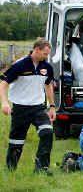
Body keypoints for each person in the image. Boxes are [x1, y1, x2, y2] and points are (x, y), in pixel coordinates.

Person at [0, 39, 56, 175]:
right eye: (44, 53)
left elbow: (48, 85)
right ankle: (11, 170)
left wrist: (52, 106)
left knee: (47, 132)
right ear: (36, 49)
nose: (46, 57)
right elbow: (3, 83)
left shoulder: (47, 67)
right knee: (16, 142)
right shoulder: (19, 65)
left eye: (47, 54)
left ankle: (41, 168)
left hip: (38, 107)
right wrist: (5, 102)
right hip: (20, 108)